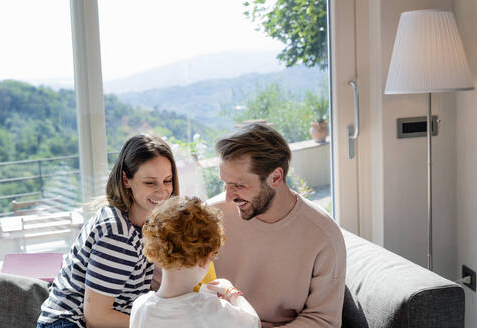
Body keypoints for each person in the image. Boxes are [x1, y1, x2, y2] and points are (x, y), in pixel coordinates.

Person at [210, 123, 346, 327]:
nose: (229, 197)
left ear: (276, 177)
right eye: (225, 184)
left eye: (239, 185)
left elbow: (323, 320)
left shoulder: (323, 235)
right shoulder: (208, 217)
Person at [37, 134, 179, 328]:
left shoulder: (141, 223)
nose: (162, 191)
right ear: (126, 179)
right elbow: (97, 317)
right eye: (150, 182)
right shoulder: (118, 234)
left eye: (167, 180)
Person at [130, 196, 260, 328]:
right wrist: (231, 292)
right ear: (204, 260)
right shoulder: (210, 308)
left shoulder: (140, 307)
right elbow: (254, 322)